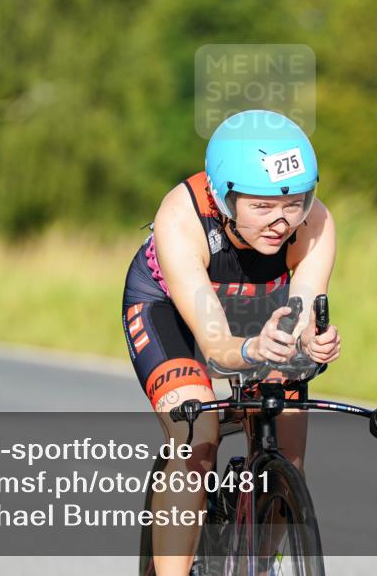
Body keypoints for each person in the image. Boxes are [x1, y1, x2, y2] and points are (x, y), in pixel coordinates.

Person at [122, 109, 341, 576]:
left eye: (293, 203)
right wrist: (248, 351)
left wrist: (312, 342)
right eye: (261, 206)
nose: (281, 222)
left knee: (289, 449)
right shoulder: (182, 217)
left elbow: (301, 310)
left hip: (261, 305)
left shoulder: (316, 222)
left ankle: (260, 565)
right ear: (224, 198)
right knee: (196, 438)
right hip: (173, 308)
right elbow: (217, 343)